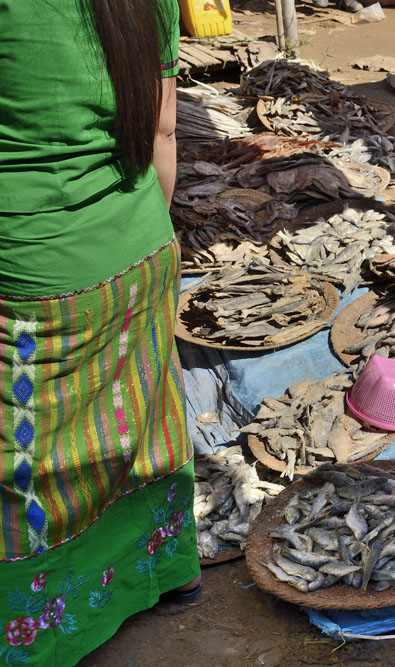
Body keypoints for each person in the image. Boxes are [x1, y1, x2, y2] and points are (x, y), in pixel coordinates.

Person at [0, 0, 201, 662]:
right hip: (143, 246)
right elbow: (163, 132)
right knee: (143, 423)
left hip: (34, 276)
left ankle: (37, 632)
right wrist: (148, 254)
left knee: (24, 468)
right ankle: (167, 572)